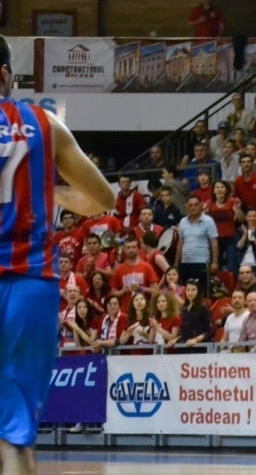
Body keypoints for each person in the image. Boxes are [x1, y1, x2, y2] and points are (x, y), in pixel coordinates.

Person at [0, 35, 114, 474]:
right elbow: (102, 197)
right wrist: (50, 192)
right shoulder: (44, 124)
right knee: (16, 437)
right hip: (30, 288)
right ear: (5, 75)